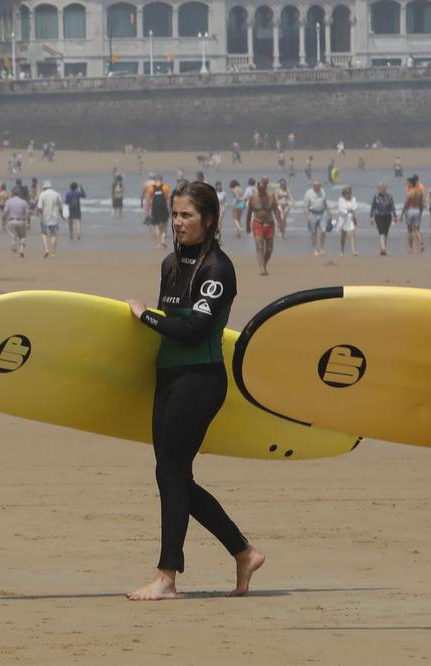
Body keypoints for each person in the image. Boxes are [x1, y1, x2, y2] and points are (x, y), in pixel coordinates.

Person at [123, 181, 266, 601]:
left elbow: (193, 329)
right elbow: (171, 327)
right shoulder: (170, 264)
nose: (179, 222)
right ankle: (243, 552)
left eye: (187, 215)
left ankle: (167, 576)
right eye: (175, 214)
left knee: (169, 473)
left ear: (209, 219)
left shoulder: (217, 269)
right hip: (168, 378)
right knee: (175, 476)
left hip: (200, 380)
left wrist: (144, 316)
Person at [247, 177, 276, 275]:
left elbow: (276, 210)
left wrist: (280, 223)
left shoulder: (271, 197)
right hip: (257, 223)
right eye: (259, 189)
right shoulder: (253, 198)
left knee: (269, 249)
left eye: (263, 189)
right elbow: (249, 212)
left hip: (270, 223)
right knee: (260, 247)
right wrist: (247, 225)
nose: (261, 191)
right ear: (257, 188)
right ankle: (262, 269)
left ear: (266, 188)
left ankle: (264, 264)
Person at [37, 180, 64, 258]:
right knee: (53, 234)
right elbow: (60, 207)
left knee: (43, 233)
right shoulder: (57, 194)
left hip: (44, 217)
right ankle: (53, 253)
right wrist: (62, 216)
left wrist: (38, 214)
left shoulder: (42, 194)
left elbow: (39, 207)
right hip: (54, 218)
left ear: (44, 187)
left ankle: (46, 249)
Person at [5, 180, 32, 257]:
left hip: (11, 221)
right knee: (22, 236)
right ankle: (21, 249)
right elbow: (27, 214)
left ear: (12, 194)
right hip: (21, 221)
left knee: (13, 237)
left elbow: (5, 212)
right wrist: (28, 222)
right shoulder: (24, 202)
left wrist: (3, 221)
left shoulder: (9, 201)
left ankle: (14, 254)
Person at [303, 180, 328, 256]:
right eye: (316, 186)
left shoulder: (322, 192)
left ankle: (322, 248)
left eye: (319, 186)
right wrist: (307, 217)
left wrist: (329, 212)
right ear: (313, 186)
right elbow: (305, 206)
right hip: (312, 214)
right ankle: (315, 249)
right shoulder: (308, 193)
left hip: (322, 214)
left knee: (323, 231)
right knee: (313, 232)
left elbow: (325, 203)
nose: (318, 187)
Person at [370, 183, 396, 256]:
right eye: (379, 188)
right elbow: (373, 207)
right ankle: (383, 248)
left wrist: (395, 216)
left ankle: (383, 248)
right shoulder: (376, 196)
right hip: (378, 216)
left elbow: (392, 207)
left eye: (382, 188)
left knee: (386, 233)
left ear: (385, 188)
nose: (381, 189)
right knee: (381, 232)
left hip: (388, 216)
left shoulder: (389, 196)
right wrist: (371, 217)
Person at [334, 185, 359, 256]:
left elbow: (354, 209)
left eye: (349, 193)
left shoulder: (353, 199)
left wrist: (354, 218)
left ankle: (353, 251)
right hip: (343, 219)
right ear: (343, 194)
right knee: (343, 235)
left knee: (352, 235)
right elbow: (341, 210)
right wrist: (349, 210)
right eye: (346, 193)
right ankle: (342, 250)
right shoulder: (340, 200)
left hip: (350, 218)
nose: (348, 195)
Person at [403, 175, 426, 255]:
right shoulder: (419, 192)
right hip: (417, 211)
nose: (407, 184)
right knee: (417, 230)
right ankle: (421, 242)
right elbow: (421, 204)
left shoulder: (410, 193)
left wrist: (402, 213)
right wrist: (421, 212)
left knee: (410, 231)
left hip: (410, 211)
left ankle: (410, 247)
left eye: (408, 183)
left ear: (411, 184)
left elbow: (406, 204)